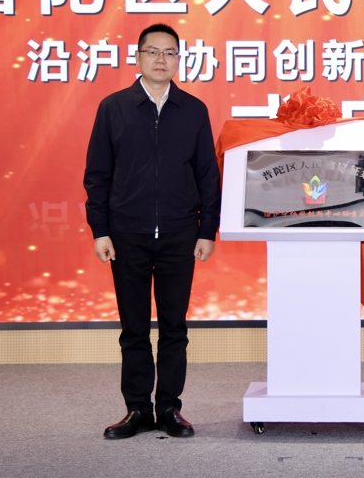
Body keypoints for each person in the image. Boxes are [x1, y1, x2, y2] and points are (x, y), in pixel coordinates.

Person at [84, 23, 220, 439]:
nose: (161, 60)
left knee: (175, 326)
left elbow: (208, 175)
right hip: (127, 233)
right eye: (152, 51)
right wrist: (100, 230)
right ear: (138, 57)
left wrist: (207, 230)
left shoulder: (193, 110)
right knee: (135, 327)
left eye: (169, 53)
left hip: (181, 233)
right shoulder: (114, 107)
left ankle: (170, 407)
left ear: (179, 60)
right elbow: (97, 175)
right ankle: (137, 409)